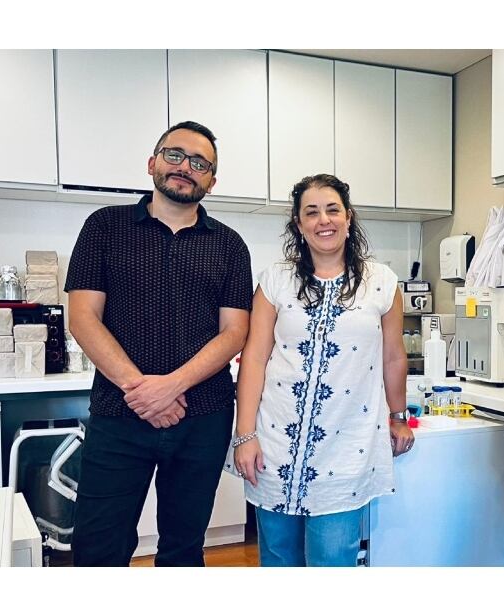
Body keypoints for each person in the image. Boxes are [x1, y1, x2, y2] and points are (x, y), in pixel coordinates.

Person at [65, 121, 253, 566]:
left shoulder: (230, 246)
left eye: (200, 163)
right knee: (98, 548)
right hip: (119, 413)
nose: (185, 167)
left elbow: (235, 332)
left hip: (202, 418)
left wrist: (170, 387)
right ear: (153, 163)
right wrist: (142, 389)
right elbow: (82, 317)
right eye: (175, 155)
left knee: (184, 549)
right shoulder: (104, 226)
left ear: (211, 180)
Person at [233, 173, 413, 567]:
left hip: (347, 444)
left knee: (332, 560)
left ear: (348, 218)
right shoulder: (275, 280)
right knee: (279, 559)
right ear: (299, 225)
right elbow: (255, 358)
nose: (323, 220)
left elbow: (393, 356)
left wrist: (398, 417)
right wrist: (244, 435)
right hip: (276, 442)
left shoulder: (381, 282)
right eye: (311, 213)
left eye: (332, 210)